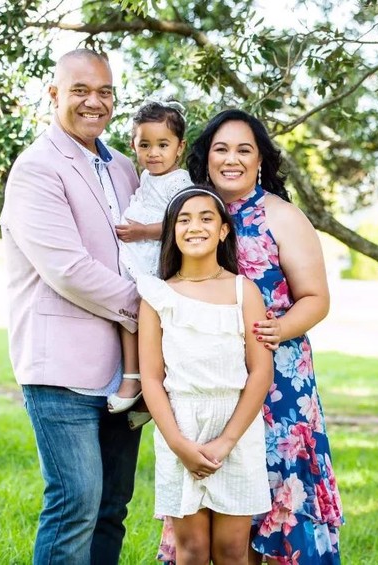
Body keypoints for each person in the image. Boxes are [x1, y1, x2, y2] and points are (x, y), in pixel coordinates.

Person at [154, 109, 345, 564]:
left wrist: (275, 330)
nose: (231, 159)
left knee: (272, 497)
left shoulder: (281, 215)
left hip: (277, 382)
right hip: (207, 384)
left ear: (261, 159)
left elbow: (316, 298)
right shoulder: (192, 215)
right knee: (212, 502)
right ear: (206, 157)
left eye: (244, 149)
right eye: (221, 149)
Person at [0, 48, 142, 565]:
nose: (94, 101)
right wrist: (150, 310)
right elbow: (68, 269)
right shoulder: (37, 168)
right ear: (54, 94)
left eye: (104, 91)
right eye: (80, 90)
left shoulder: (124, 167)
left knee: (111, 509)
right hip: (61, 368)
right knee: (75, 505)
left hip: (127, 372)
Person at [138, 185, 274, 564]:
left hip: (237, 428)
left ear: (224, 231)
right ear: (171, 231)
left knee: (232, 550)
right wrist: (179, 444)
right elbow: (150, 378)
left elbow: (261, 370)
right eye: (183, 219)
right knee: (193, 550)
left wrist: (227, 440)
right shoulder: (157, 296)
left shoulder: (242, 290)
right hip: (180, 427)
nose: (194, 227)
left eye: (205, 218)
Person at [108, 98, 192, 414]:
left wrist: (143, 231)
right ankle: (133, 376)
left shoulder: (180, 182)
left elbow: (181, 222)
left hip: (156, 257)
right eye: (145, 145)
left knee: (149, 320)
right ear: (134, 145)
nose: (153, 153)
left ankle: (151, 384)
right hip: (135, 254)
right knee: (127, 314)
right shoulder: (145, 176)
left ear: (179, 147)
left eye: (162, 144)